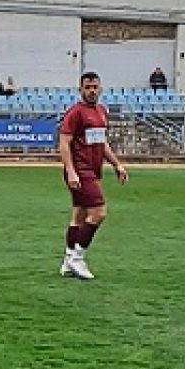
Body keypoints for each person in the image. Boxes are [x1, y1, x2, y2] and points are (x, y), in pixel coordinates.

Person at [58, 72, 129, 280]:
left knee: (79, 215)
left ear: (100, 89)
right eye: (87, 87)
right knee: (99, 212)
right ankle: (77, 258)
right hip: (80, 170)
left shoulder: (101, 111)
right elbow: (64, 143)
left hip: (93, 169)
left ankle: (68, 260)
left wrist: (117, 164)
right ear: (80, 90)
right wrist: (71, 171)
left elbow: (101, 142)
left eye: (95, 87)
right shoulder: (75, 113)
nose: (92, 91)